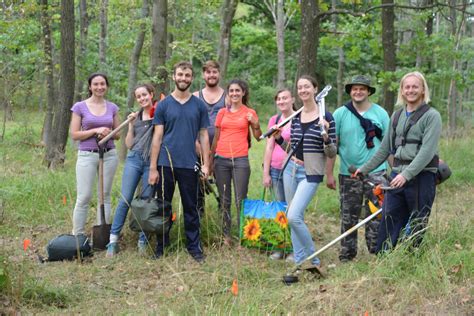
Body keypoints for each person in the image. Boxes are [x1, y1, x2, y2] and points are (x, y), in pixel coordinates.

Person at [355, 71, 442, 253]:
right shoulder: (396, 116)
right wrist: (364, 169)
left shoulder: (432, 116)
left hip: (421, 176)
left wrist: (407, 175)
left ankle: (410, 260)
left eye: (415, 86)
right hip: (396, 176)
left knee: (418, 221)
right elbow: (384, 148)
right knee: (389, 217)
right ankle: (384, 259)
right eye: (407, 87)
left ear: (423, 90)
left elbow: (427, 151)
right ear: (402, 91)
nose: (410, 90)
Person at [148, 61, 210, 263]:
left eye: (187, 75)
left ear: (192, 78)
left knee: (191, 207)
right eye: (180, 74)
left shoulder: (199, 105)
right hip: (166, 164)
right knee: (163, 206)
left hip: (189, 164)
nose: (184, 78)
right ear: (174, 77)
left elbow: (203, 136)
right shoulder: (163, 105)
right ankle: (161, 245)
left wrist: (206, 164)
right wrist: (153, 168)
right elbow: (157, 137)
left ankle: (194, 247)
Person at [274, 75, 337, 267]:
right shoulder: (296, 116)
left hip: (311, 172)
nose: (303, 90)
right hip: (290, 168)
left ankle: (313, 259)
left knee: (293, 215)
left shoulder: (326, 116)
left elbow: (333, 151)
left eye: (307, 87)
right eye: (300, 87)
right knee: (293, 216)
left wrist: (325, 136)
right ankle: (300, 259)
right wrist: (278, 139)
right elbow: (292, 147)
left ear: (315, 89)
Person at [327, 75, 390, 262]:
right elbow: (333, 146)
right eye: (354, 88)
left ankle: (376, 250)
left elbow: (389, 145)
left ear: (369, 91)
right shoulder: (340, 114)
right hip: (349, 173)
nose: (358, 91)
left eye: (362, 88)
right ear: (350, 91)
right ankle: (347, 253)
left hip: (377, 173)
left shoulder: (381, 114)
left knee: (377, 213)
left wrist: (395, 172)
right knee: (348, 215)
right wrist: (329, 173)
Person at [106, 83, 157, 257]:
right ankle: (113, 241)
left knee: (145, 201)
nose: (142, 98)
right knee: (125, 199)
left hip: (151, 162)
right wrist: (130, 125)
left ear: (151, 94)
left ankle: (143, 239)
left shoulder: (159, 114)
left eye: (145, 95)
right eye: (139, 96)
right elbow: (129, 144)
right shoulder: (136, 117)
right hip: (134, 160)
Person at [210, 79, 262, 245]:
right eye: (231, 91)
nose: (234, 94)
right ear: (228, 93)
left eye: (237, 91)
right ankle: (226, 236)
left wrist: (256, 124)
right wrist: (211, 160)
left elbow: (258, 137)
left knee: (241, 199)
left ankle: (243, 236)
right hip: (221, 161)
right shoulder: (222, 113)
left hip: (240, 160)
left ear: (243, 93)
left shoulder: (249, 112)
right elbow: (216, 138)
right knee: (224, 200)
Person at [70, 73, 120, 235]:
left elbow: (117, 134)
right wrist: (95, 130)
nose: (100, 87)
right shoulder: (80, 107)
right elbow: (75, 134)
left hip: (109, 155)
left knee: (104, 196)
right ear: (90, 87)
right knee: (84, 197)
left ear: (107, 86)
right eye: (96, 84)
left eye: (103, 84)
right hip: (87, 155)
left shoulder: (112, 107)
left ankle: (102, 234)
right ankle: (77, 235)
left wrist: (108, 133)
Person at [263, 88, 294, 260]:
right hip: (275, 169)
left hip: (292, 169)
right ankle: (279, 247)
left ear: (292, 99)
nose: (282, 101)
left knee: (291, 210)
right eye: (279, 99)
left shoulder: (297, 118)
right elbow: (269, 147)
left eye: (285, 98)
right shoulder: (274, 120)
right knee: (278, 209)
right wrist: (265, 173)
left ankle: (292, 248)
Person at [193, 60, 226, 214]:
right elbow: (190, 122)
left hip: (223, 148)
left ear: (219, 73)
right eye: (208, 72)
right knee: (198, 185)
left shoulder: (227, 96)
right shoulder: (195, 96)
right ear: (203, 75)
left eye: (214, 72)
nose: (211, 75)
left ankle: (223, 217)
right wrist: (196, 144)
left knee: (223, 185)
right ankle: (199, 218)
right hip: (198, 147)